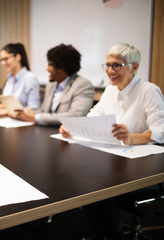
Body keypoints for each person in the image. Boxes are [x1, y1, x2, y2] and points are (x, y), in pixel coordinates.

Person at [60, 43, 164, 240]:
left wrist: (132, 137)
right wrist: (72, 128)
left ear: (135, 67)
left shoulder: (149, 91)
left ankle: (115, 235)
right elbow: (93, 115)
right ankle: (103, 234)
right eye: (107, 65)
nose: (110, 71)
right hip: (116, 161)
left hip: (143, 167)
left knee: (96, 184)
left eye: (117, 65)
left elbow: (161, 132)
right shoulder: (110, 90)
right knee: (84, 180)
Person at [12, 44, 94, 125]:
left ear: (62, 67)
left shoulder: (83, 85)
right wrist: (23, 113)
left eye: (50, 64)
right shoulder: (51, 85)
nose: (46, 68)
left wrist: (34, 118)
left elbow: (75, 116)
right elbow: (43, 111)